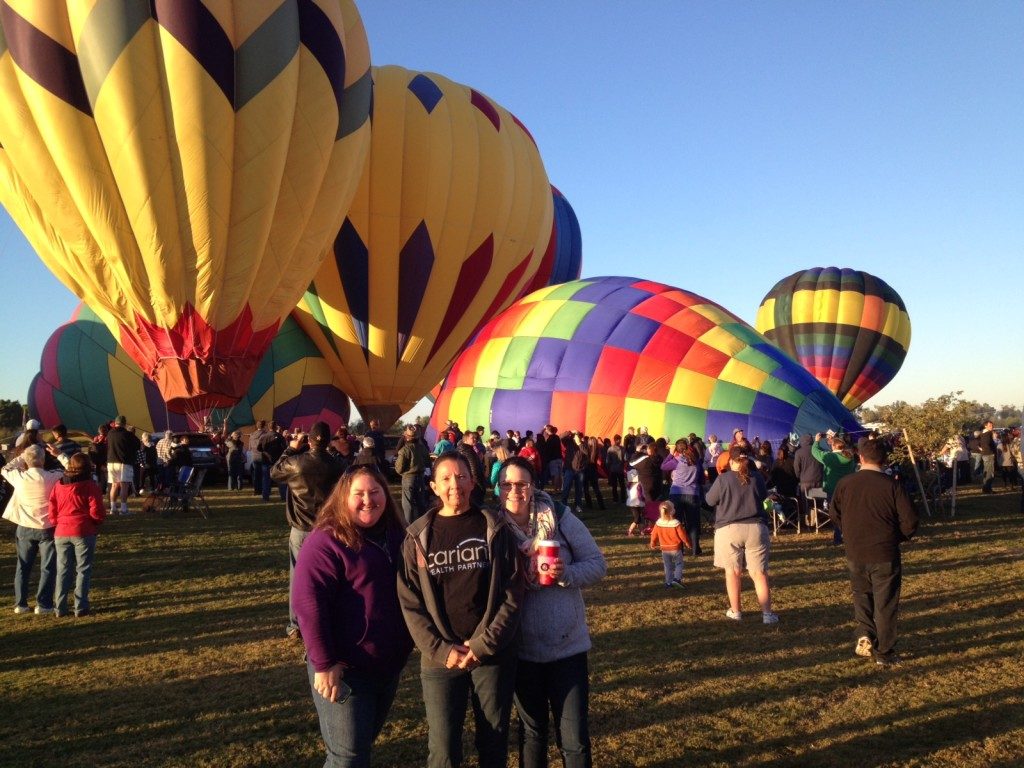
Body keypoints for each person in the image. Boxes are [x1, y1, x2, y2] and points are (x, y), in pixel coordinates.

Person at [396, 451, 524, 768]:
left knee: (493, 742)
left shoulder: (494, 528)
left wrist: (482, 645)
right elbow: (410, 604)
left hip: (491, 655)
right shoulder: (418, 537)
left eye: (462, 476)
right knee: (443, 750)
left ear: (472, 481)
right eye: (446, 478)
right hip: (441, 659)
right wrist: (441, 649)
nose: (455, 484)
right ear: (434, 487)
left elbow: (512, 593)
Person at [292, 464, 413, 767]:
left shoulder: (397, 535)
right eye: (358, 493)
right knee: (348, 757)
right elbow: (308, 603)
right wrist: (324, 663)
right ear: (343, 497)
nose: (368, 500)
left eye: (375, 492)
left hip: (386, 666)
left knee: (356, 748)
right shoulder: (327, 541)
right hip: (344, 669)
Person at [497, 456, 605, 768]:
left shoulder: (558, 515)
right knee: (532, 734)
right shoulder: (492, 527)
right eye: (507, 484)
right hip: (522, 650)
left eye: (521, 484)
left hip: (567, 648)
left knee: (574, 739)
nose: (514, 491)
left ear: (533, 487)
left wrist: (564, 574)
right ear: (498, 488)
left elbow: (597, 564)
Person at [831, 438, 919, 666]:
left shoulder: (845, 483)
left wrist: (848, 532)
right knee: (886, 603)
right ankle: (884, 651)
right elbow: (910, 521)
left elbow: (834, 513)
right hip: (885, 553)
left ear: (860, 457)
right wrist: (895, 537)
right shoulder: (892, 485)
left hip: (855, 551)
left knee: (862, 595)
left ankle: (865, 633)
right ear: (885, 459)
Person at [270, 422, 345, 641]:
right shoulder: (335, 465)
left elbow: (274, 471)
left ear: (309, 440)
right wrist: (331, 449)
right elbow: (347, 468)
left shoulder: (296, 463)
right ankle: (326, 618)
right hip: (328, 529)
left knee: (298, 576)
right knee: (329, 576)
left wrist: (292, 447)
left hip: (301, 528)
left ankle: (296, 625)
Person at [705, 445, 778, 624]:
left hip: (728, 529)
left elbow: (709, 500)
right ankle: (767, 614)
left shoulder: (723, 479)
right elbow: (763, 498)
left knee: (733, 572)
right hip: (755, 528)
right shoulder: (757, 478)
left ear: (731, 461)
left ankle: (736, 611)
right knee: (759, 573)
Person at [3, 445, 64, 614]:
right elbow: (71, 469)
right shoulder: (53, 476)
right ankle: (43, 604)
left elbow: (5, 468)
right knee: (48, 567)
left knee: (23, 566)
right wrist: (60, 455)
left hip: (24, 526)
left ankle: (20, 603)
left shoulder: (19, 477)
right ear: (43, 460)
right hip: (47, 527)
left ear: (26, 461)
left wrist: (22, 456)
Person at [48, 452, 106, 617]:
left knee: (63, 570)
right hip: (83, 530)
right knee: (83, 569)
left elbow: (52, 504)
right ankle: (80, 606)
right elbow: (96, 510)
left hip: (62, 530)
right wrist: (97, 520)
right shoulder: (89, 486)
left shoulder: (59, 484)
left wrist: (55, 521)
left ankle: (60, 607)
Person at [811, 433, 857, 544]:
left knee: (835, 514)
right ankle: (850, 536)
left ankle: (838, 538)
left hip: (833, 489)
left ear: (833, 446)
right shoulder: (849, 457)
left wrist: (817, 441)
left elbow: (815, 452)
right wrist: (834, 441)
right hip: (847, 488)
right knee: (847, 513)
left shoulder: (829, 458)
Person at [661, 439, 703, 557]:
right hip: (692, 493)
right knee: (693, 523)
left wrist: (670, 453)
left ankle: (680, 549)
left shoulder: (676, 461)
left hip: (676, 494)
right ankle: (695, 549)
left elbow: (663, 466)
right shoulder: (696, 461)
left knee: (677, 522)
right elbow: (700, 478)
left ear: (677, 450)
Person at [649, 500, 692, 588]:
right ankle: (676, 579)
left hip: (664, 549)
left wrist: (652, 543)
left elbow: (654, 534)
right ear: (672, 511)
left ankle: (668, 582)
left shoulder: (658, 523)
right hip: (676, 548)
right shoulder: (676, 523)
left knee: (667, 566)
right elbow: (682, 535)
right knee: (679, 564)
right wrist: (687, 543)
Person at [394, 424, 431, 524]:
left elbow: (399, 468)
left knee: (408, 504)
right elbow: (428, 462)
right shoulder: (423, 449)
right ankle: (423, 524)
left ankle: (409, 526)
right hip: (421, 477)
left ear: (406, 437)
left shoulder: (404, 450)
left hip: (409, 478)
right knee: (421, 503)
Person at [106, 415, 139, 516]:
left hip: (111, 462)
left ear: (115, 423)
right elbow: (137, 445)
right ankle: (123, 509)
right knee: (124, 485)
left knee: (114, 485)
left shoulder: (110, 434)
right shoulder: (127, 434)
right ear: (124, 424)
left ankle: (113, 508)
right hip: (124, 462)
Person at [456, 431, 488, 508]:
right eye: (472, 438)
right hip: (474, 483)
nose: (475, 439)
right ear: (465, 440)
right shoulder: (467, 451)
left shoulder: (469, 450)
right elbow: (474, 469)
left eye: (475, 438)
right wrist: (479, 484)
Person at [977, 421, 997, 493]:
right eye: (990, 425)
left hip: (985, 454)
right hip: (989, 454)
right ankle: (987, 489)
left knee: (986, 471)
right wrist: (991, 452)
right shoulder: (988, 433)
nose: (991, 427)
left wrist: (982, 449)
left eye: (992, 425)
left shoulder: (982, 433)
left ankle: (985, 488)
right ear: (985, 426)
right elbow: (986, 444)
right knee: (990, 472)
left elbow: (978, 443)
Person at [605, 436, 626, 503]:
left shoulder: (611, 449)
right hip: (617, 469)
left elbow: (608, 461)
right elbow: (625, 459)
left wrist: (609, 467)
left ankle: (618, 499)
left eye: (620, 440)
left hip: (616, 469)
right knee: (617, 485)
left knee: (619, 485)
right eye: (618, 440)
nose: (619, 441)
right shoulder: (620, 448)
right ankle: (620, 499)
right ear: (615, 440)